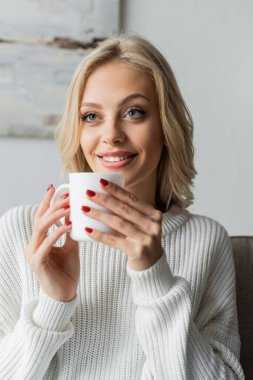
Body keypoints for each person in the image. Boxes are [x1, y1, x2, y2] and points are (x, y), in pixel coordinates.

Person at [0, 34, 244, 380]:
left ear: (165, 126)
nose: (111, 135)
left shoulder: (205, 241)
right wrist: (53, 304)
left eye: (134, 112)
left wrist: (154, 277)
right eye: (91, 116)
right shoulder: (22, 231)